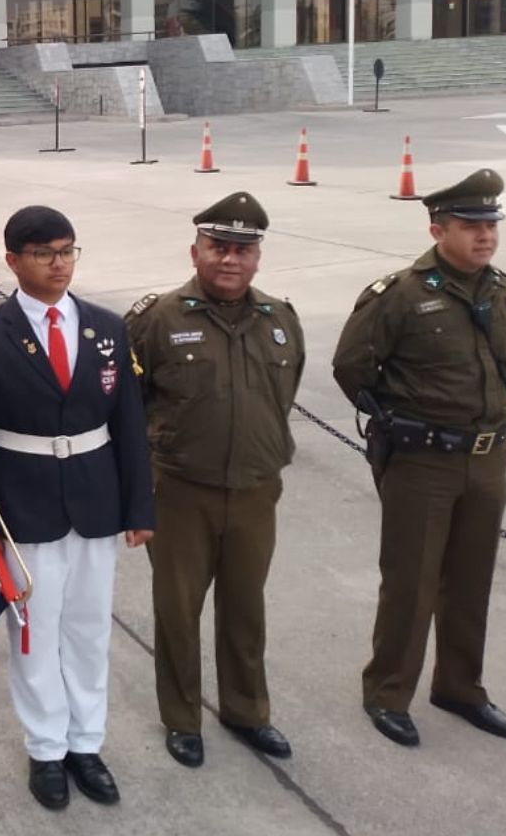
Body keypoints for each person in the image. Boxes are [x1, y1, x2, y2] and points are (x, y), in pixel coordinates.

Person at [0, 205, 153, 811]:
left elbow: (130, 423)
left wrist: (139, 505)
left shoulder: (107, 327)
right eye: (44, 253)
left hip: (94, 498)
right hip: (23, 503)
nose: (59, 264)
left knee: (88, 630)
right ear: (13, 261)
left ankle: (86, 742)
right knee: (36, 633)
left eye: (67, 251)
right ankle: (45, 748)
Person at [332, 169, 506, 749]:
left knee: (471, 582)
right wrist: (399, 423)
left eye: (490, 225)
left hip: (488, 460)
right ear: (438, 229)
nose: (485, 236)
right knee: (412, 583)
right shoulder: (400, 295)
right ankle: (388, 692)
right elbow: (352, 367)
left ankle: (460, 687)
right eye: (471, 226)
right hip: (423, 462)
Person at [126, 193, 303, 768]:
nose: (231, 260)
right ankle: (182, 718)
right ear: (195, 251)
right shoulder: (157, 319)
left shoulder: (280, 320)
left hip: (256, 490)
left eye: (243, 250)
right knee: (178, 610)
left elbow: (285, 395)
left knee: (246, 607)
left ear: (258, 258)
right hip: (180, 491)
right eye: (219, 248)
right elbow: (125, 409)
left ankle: (247, 711)